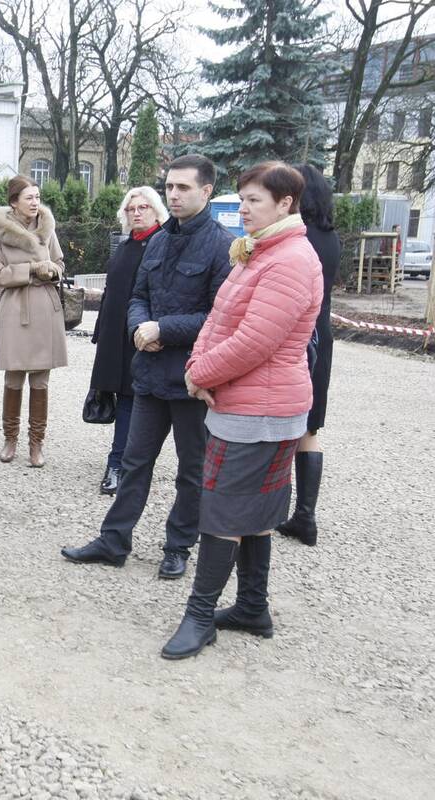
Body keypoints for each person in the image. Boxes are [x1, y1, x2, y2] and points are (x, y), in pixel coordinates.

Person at [163, 161, 323, 659]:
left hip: (262, 410)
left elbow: (255, 341)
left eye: (254, 200)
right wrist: (197, 366)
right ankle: (253, 607)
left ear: (285, 203)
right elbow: (218, 320)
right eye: (243, 198)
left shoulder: (289, 260)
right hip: (248, 403)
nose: (244, 209)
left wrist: (202, 374)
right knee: (252, 511)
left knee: (224, 513)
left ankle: (200, 616)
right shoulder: (260, 252)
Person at [61, 154, 234, 579]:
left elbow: (220, 317)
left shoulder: (222, 246)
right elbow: (138, 296)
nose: (173, 194)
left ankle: (178, 546)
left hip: (193, 378)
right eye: (169, 186)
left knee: (191, 471)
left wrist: (163, 329)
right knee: (134, 462)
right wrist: (140, 326)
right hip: (150, 374)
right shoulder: (156, 242)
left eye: (183, 188)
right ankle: (114, 540)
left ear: (206, 191)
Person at [0, 176, 68, 468]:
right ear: (14, 202)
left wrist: (52, 271)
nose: (35, 202)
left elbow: (59, 263)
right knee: (14, 376)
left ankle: (36, 443)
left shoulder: (47, 226)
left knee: (41, 379)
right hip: (15, 308)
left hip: (45, 307)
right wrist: (31, 269)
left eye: (38, 197)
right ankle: (10, 439)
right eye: (29, 197)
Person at [89, 186, 169, 495]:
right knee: (123, 397)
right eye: (131, 208)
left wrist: (157, 330)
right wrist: (100, 332)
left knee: (132, 400)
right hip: (115, 336)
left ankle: (119, 464)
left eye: (143, 207)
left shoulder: (162, 243)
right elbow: (111, 291)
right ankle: (123, 461)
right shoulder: (125, 246)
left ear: (156, 210)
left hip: (142, 335)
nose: (136, 213)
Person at [276, 164, 340, 547]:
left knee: (282, 425)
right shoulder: (331, 238)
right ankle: (305, 516)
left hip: (300, 336)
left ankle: (273, 510)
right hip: (322, 334)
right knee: (309, 429)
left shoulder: (298, 238)